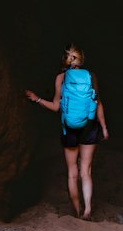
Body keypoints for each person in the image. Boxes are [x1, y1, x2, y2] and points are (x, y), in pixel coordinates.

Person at [25, 45, 108, 220]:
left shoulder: (61, 78)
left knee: (72, 172)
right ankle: (88, 210)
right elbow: (98, 103)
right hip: (89, 126)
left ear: (65, 60)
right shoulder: (91, 76)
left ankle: (77, 211)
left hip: (69, 128)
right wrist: (104, 127)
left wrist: (37, 99)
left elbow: (56, 107)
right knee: (86, 170)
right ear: (82, 60)